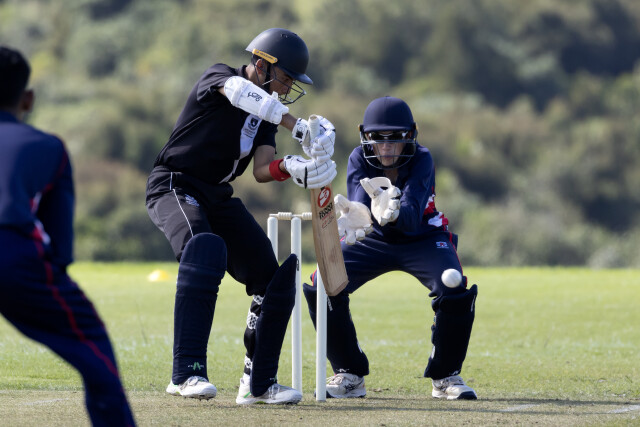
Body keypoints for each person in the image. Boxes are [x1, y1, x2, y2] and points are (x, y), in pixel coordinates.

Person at [145, 28, 336, 404]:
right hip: (174, 184)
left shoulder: (267, 114)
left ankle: (258, 384)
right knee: (203, 249)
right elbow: (239, 93)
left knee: (272, 277)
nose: (287, 88)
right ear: (262, 64)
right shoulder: (220, 77)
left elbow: (262, 169)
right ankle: (186, 374)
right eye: (285, 78)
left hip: (217, 194)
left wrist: (292, 166)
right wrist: (297, 126)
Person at [303, 96, 478, 400]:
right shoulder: (358, 157)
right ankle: (348, 372)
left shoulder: (422, 158)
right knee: (323, 283)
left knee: (454, 286)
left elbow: (410, 217)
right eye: (377, 138)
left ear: (410, 135)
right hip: (373, 237)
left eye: (394, 138)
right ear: (365, 136)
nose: (385, 147)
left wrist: (393, 213)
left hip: (422, 235)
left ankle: (446, 376)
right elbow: (359, 206)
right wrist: (360, 214)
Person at [0, 46, 136, 426]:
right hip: (12, 256)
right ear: (28, 99)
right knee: (94, 350)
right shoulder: (48, 147)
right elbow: (59, 245)